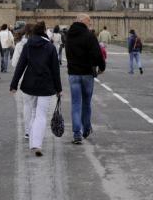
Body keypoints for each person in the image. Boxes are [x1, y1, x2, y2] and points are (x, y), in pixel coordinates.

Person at [10, 22, 62, 157]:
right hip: (45, 84)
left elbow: (21, 66)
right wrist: (59, 89)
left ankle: (33, 142)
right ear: (44, 31)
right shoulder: (50, 47)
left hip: (29, 84)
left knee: (33, 113)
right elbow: (55, 70)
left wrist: (14, 85)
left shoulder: (28, 46)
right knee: (41, 115)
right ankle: (36, 144)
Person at [63, 14, 105, 145]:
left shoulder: (68, 35)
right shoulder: (89, 36)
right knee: (86, 103)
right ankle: (86, 129)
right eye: (89, 21)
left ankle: (77, 133)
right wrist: (101, 67)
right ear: (83, 22)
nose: (90, 24)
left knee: (76, 104)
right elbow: (97, 53)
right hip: (87, 73)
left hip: (74, 73)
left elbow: (67, 53)